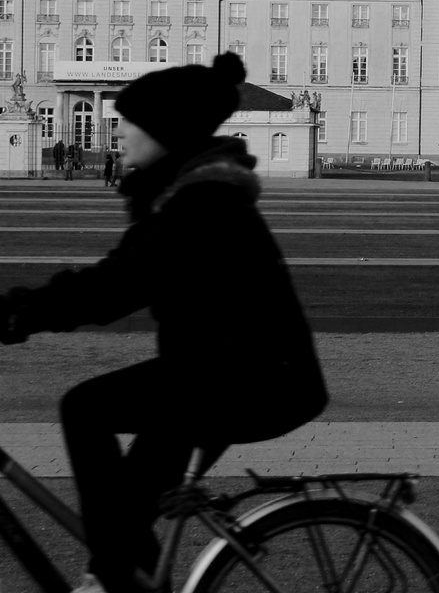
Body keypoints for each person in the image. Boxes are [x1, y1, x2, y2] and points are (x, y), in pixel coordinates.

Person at [0, 53, 327, 593]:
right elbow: (117, 276)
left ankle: (114, 578)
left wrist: (15, 313)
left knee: (86, 410)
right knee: (127, 509)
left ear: (165, 131)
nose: (119, 131)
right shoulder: (186, 192)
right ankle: (125, 578)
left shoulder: (201, 203)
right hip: (219, 374)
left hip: (251, 380)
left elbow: (114, 288)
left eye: (131, 122)